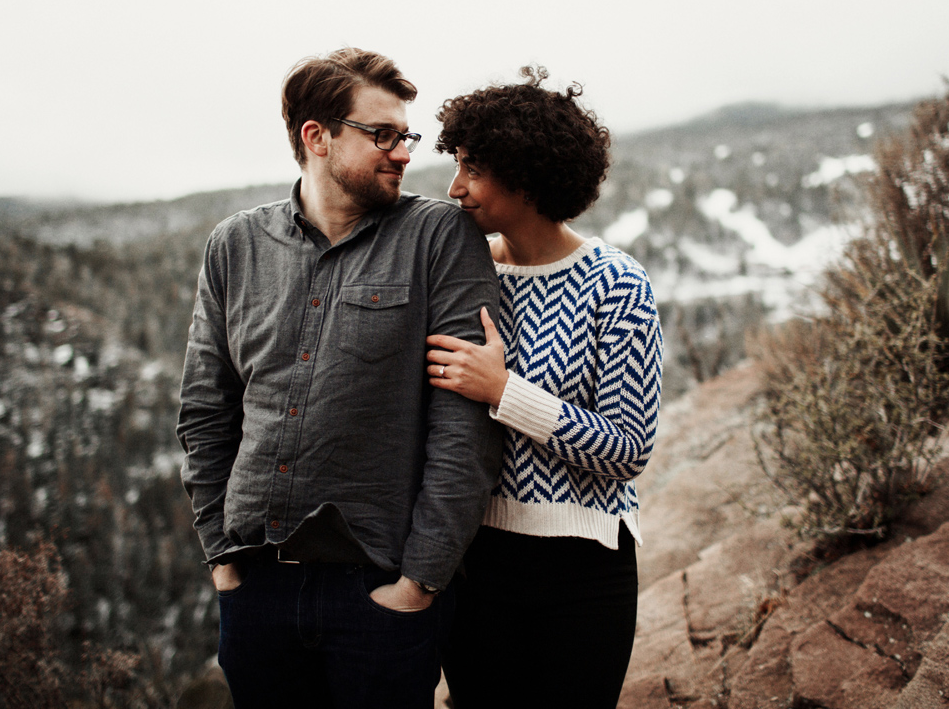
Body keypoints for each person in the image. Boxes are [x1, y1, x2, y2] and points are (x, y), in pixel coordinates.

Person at [176, 47, 503, 709]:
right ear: (316, 138)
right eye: (382, 134)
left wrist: (419, 584)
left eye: (405, 136)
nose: (404, 152)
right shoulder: (235, 246)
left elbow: (463, 425)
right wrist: (221, 559)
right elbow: (207, 410)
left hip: (379, 596)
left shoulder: (438, 237)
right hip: (256, 586)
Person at [425, 67, 663, 709]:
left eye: (472, 169)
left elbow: (629, 448)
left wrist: (504, 391)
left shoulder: (617, 286)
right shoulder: (465, 276)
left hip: (582, 571)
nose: (455, 188)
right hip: (475, 565)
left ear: (524, 176)